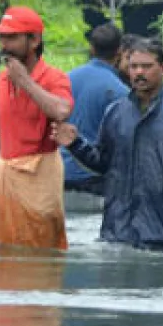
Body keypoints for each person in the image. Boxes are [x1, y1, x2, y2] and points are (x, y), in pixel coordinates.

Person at [54, 38, 163, 255]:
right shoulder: (115, 112)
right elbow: (103, 164)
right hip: (117, 233)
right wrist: (76, 144)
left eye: (146, 66)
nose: (139, 73)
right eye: (134, 66)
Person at [0, 6, 74, 250]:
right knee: (2, 251)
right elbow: (3, 111)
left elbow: (62, 111)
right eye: (1, 37)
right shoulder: (3, 78)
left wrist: (25, 81)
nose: (3, 44)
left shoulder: (54, 77)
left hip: (39, 179)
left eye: (11, 37)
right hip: (6, 177)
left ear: (34, 40)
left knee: (39, 253)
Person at [63, 23, 128, 196]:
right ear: (120, 50)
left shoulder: (65, 79)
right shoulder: (121, 92)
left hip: (59, 173)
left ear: (91, 47)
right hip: (94, 178)